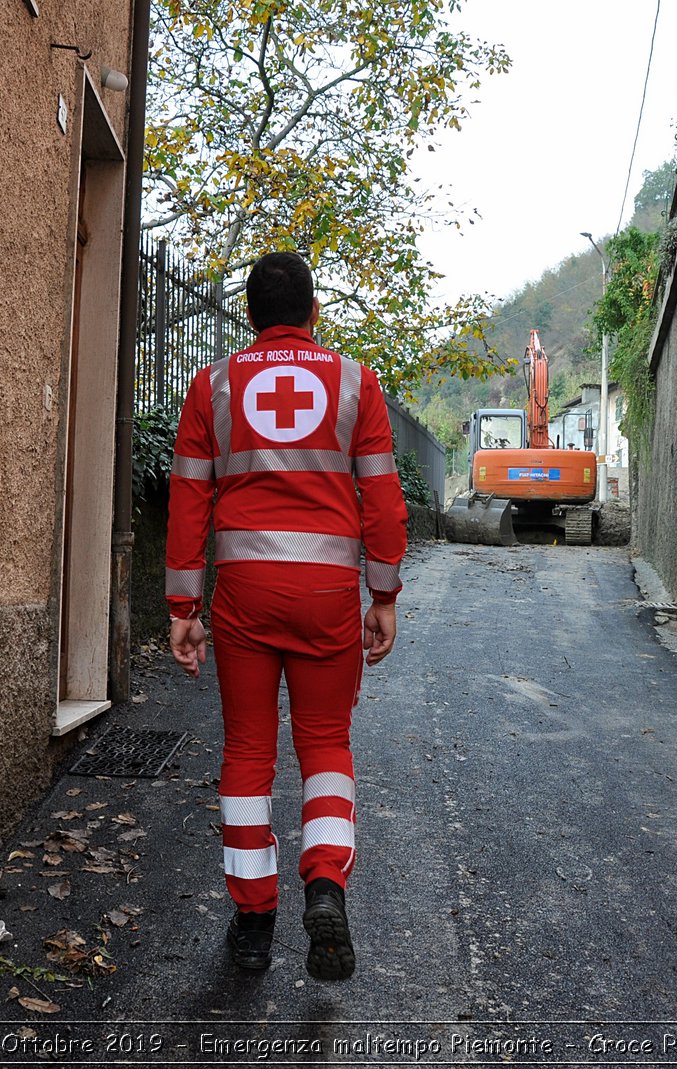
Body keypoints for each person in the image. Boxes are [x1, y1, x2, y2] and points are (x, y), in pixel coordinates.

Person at [165, 251, 407, 981]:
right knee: (327, 743)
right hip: (328, 596)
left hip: (243, 593)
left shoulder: (214, 385)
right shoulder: (353, 383)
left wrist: (184, 608)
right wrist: (384, 594)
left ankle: (253, 921)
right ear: (313, 314)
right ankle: (326, 883)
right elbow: (384, 500)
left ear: (248, 316)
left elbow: (187, 503)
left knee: (246, 752)